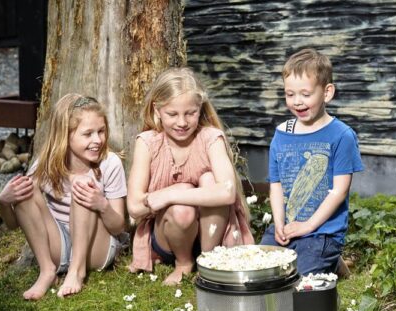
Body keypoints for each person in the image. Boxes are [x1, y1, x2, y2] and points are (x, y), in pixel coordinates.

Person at [127, 67, 253, 285]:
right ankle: (184, 263)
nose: (182, 122)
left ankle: (209, 260)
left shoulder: (211, 138)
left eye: (190, 113)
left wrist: (170, 195)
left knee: (208, 180)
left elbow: (228, 192)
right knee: (183, 211)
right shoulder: (147, 142)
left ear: (200, 108)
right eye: (172, 114)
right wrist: (178, 194)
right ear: (157, 110)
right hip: (169, 238)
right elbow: (135, 207)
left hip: (213, 235)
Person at [0, 94, 127, 300]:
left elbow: (118, 227)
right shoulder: (46, 163)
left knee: (83, 184)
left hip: (96, 248)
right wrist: (4, 202)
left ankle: (77, 271)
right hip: (59, 244)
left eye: (101, 131)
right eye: (88, 134)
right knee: (26, 190)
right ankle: (47, 270)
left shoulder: (110, 163)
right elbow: (14, 224)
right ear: (65, 135)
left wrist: (101, 204)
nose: (97, 140)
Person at [260, 48, 364, 276]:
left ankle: (329, 256)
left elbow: (338, 191)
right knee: (261, 270)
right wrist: (279, 222)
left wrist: (308, 226)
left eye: (305, 94)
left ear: (326, 93)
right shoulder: (281, 134)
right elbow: (276, 185)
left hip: (322, 232)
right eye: (290, 94)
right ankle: (330, 261)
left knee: (297, 279)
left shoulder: (341, 136)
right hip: (290, 227)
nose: (297, 102)